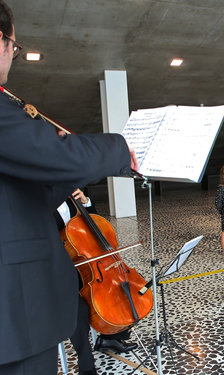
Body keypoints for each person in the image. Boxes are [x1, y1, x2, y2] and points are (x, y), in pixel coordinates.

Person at [0, 2, 137, 374]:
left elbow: (17, 193)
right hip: (14, 316)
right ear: (0, 40)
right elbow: (54, 153)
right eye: (15, 45)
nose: (14, 53)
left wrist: (62, 177)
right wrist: (119, 148)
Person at [55, 189, 137, 375]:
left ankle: (111, 336)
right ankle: (86, 366)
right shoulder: (39, 204)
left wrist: (85, 203)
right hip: (57, 270)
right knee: (79, 310)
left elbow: (96, 225)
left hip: (83, 264)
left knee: (117, 290)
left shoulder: (69, 198)